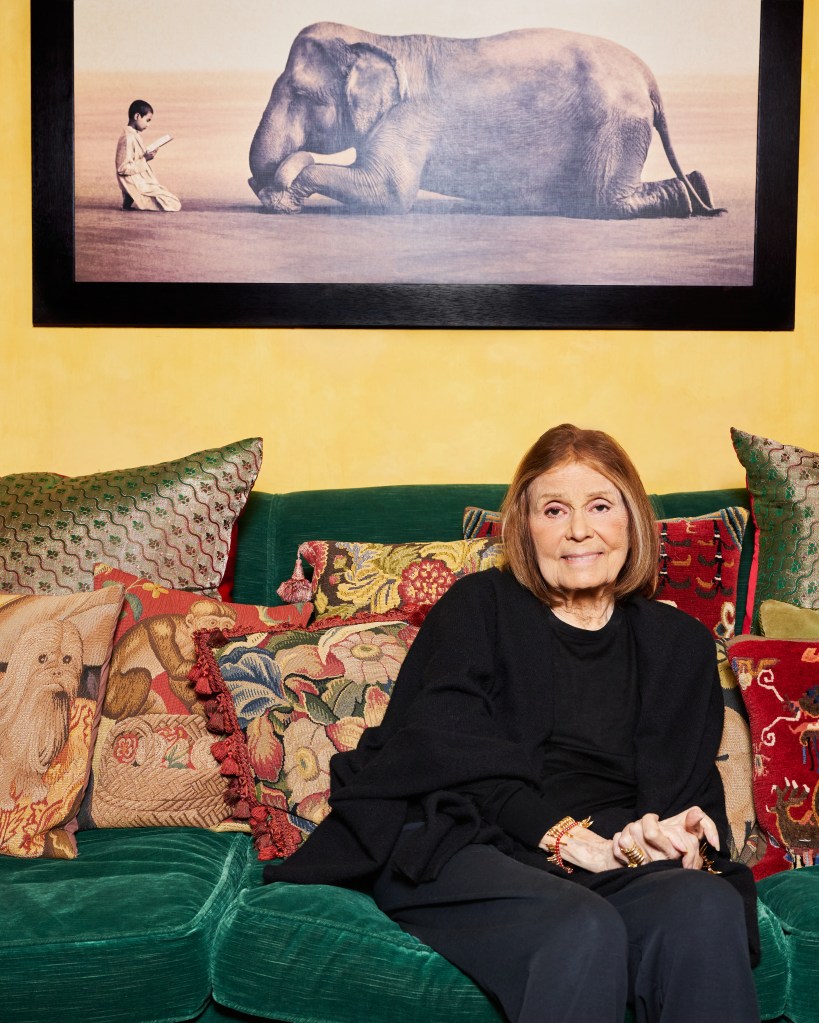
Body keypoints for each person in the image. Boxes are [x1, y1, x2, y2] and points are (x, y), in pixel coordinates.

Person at [264, 424, 760, 1023]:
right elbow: (441, 750)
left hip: (612, 852)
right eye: (555, 509)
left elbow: (684, 789)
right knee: (580, 926)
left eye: (600, 505)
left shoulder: (678, 643)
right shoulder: (480, 606)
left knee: (706, 906)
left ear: (632, 519)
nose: (580, 529)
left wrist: (670, 837)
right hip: (467, 838)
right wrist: (567, 838)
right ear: (526, 527)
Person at [115, 100, 181, 212]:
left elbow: (135, 159)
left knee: (170, 199)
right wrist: (145, 159)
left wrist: (147, 155)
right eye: (147, 120)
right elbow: (122, 168)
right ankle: (133, 200)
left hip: (140, 180)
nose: (148, 124)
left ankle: (129, 203)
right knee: (173, 204)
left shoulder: (133, 134)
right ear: (137, 116)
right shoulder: (127, 137)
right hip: (135, 183)